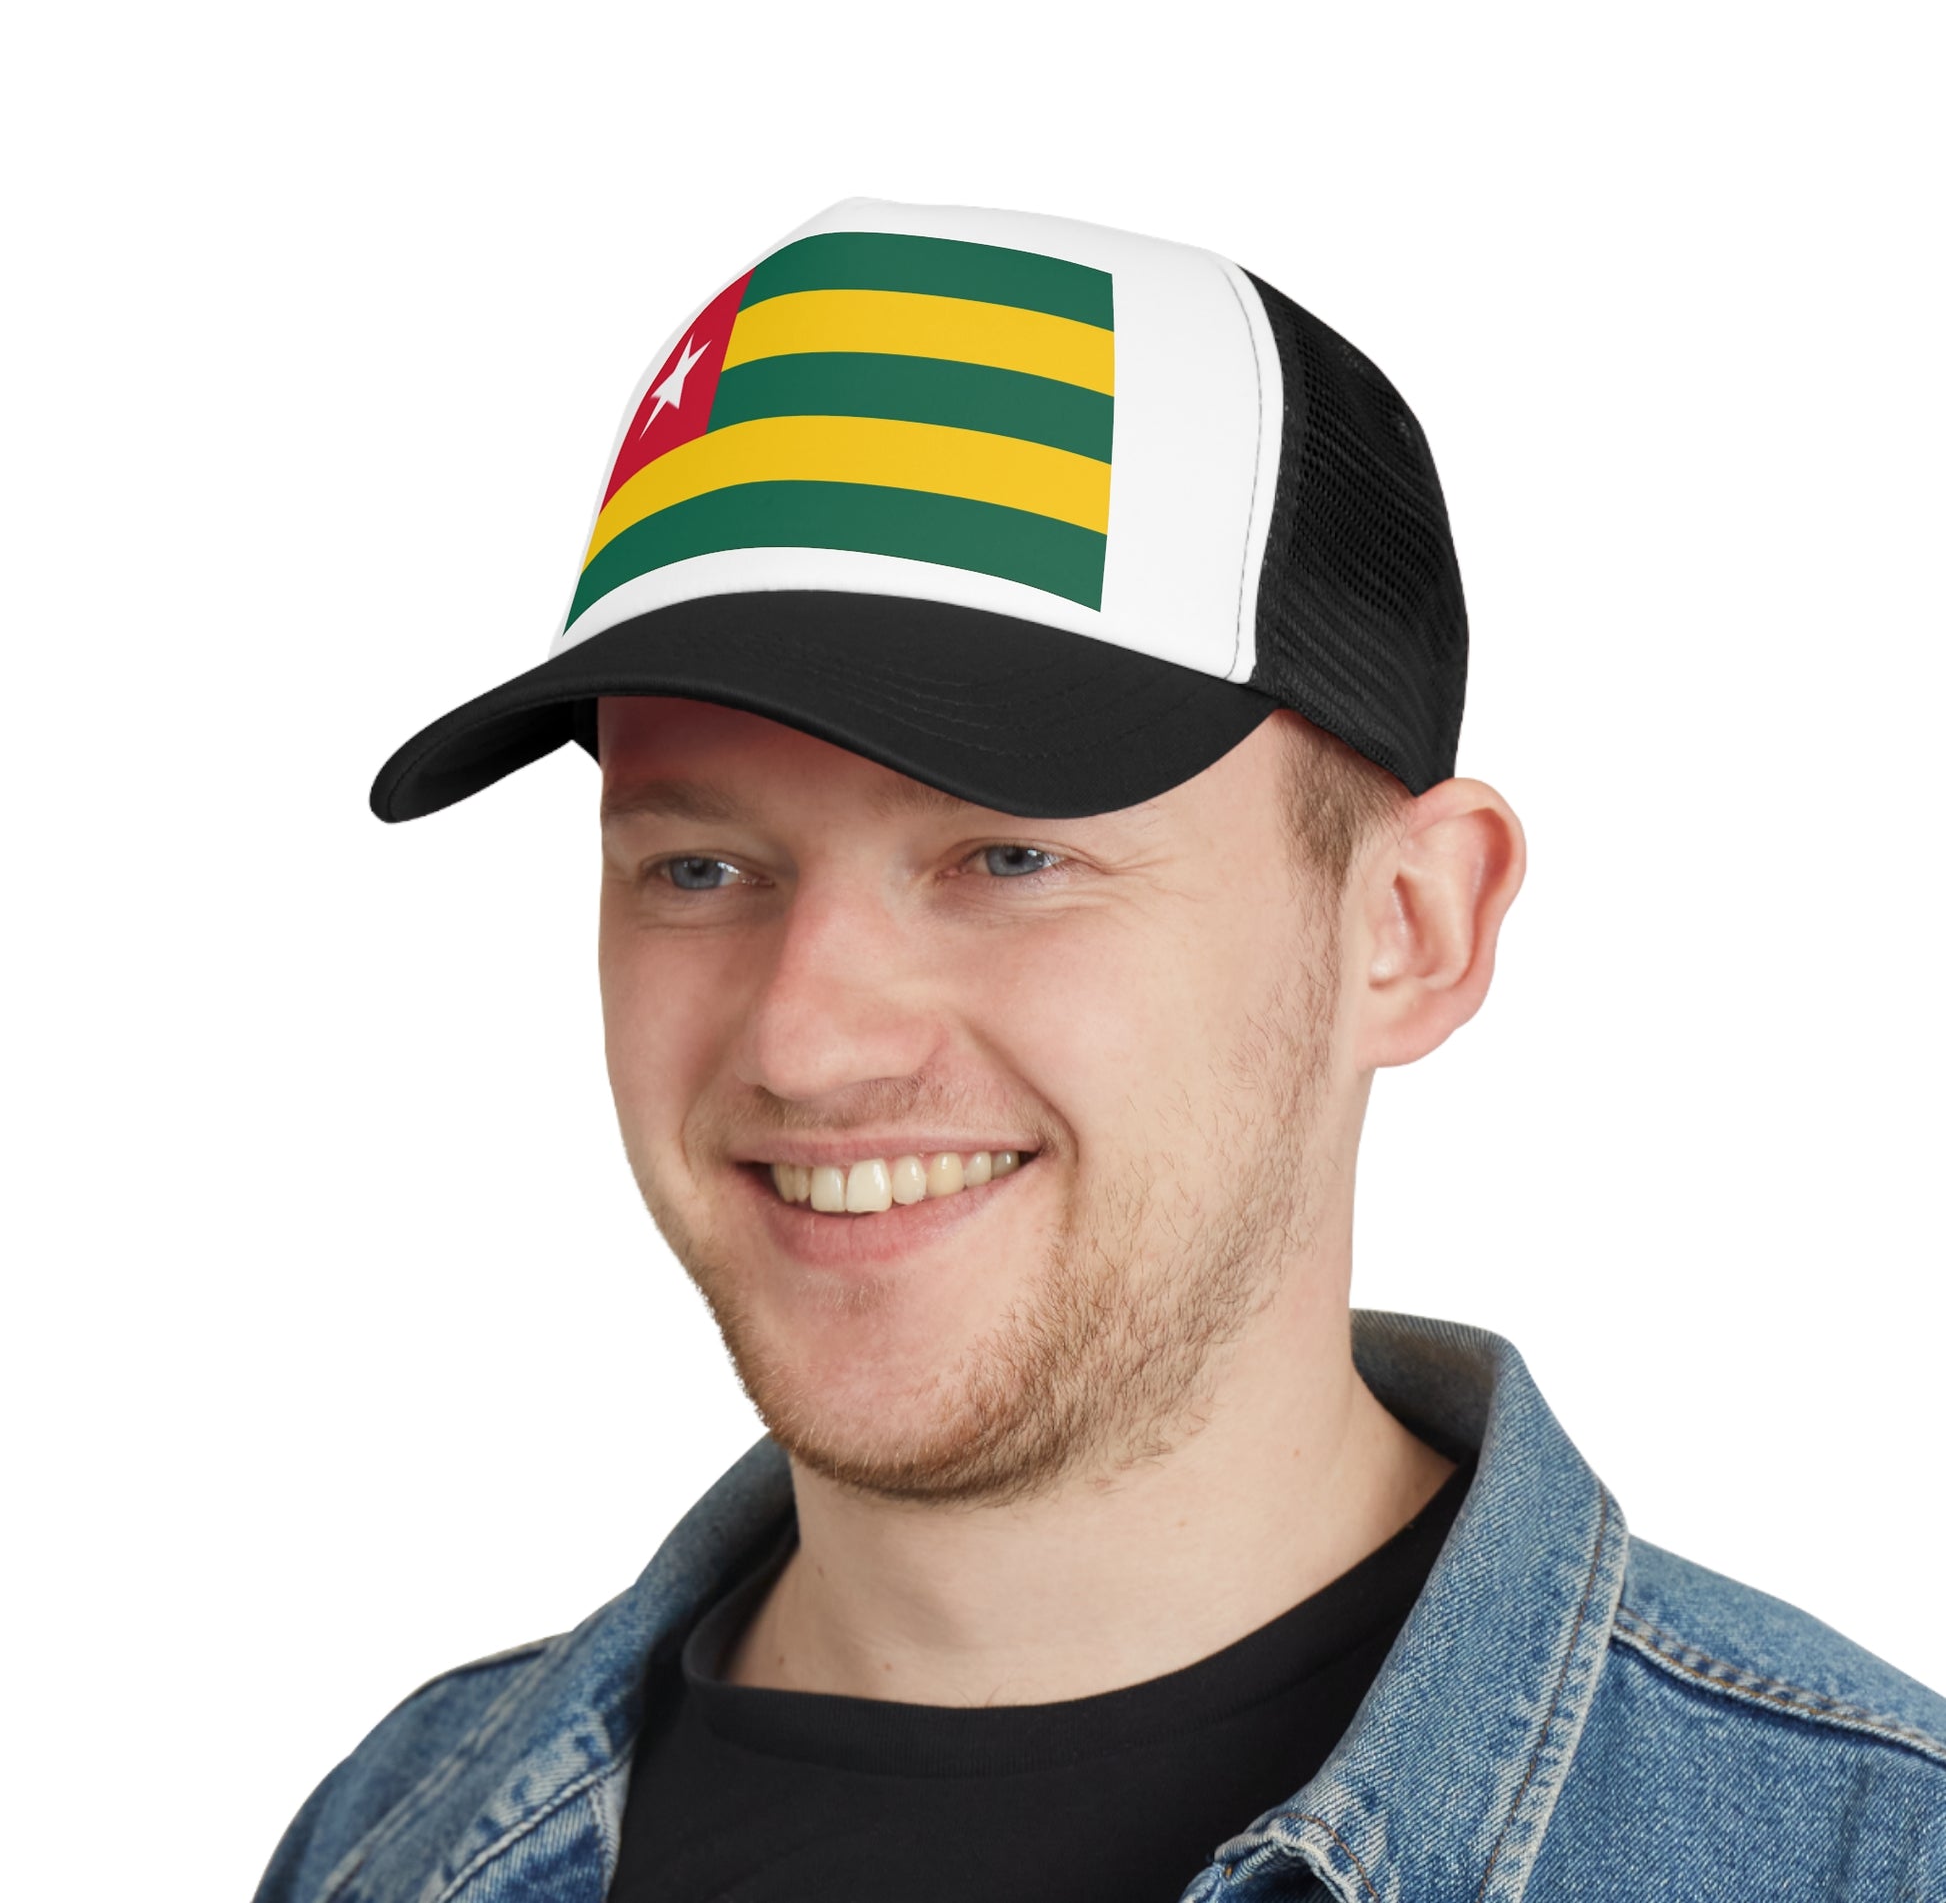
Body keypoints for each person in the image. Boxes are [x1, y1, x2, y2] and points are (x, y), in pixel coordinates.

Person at [254, 199, 1946, 1903]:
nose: (806, 1038)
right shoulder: (392, 1837)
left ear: (1412, 924)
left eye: (1007, 855)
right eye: (698, 868)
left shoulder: (1867, 1860)